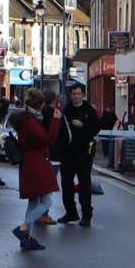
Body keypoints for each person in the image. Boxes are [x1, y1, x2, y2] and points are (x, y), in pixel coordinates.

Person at [8, 90, 62, 252]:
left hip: (31, 163)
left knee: (34, 201)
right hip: (36, 164)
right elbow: (47, 139)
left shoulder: (29, 119)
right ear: (40, 104)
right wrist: (56, 121)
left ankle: (27, 239)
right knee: (47, 201)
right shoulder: (30, 122)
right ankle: (23, 228)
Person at [56, 84, 99, 226]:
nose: (76, 96)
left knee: (84, 184)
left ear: (83, 95)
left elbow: (95, 129)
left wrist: (82, 126)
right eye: (74, 94)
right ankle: (71, 212)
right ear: (70, 95)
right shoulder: (66, 110)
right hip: (68, 154)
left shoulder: (89, 111)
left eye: (79, 93)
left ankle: (86, 215)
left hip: (84, 153)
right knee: (66, 184)